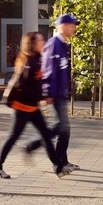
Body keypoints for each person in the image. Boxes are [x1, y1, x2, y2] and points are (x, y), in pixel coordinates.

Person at [0, 31, 67, 180]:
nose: (43, 43)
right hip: (22, 107)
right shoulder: (28, 62)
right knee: (13, 137)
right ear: (32, 44)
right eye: (40, 41)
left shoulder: (38, 58)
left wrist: (44, 95)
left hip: (34, 107)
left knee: (46, 135)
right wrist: (41, 96)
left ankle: (58, 167)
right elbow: (23, 84)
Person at [27, 13, 79, 171]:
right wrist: (48, 93)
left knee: (64, 127)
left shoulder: (63, 44)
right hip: (54, 93)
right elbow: (48, 71)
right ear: (62, 26)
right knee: (63, 127)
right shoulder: (53, 45)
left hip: (61, 92)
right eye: (71, 25)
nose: (74, 28)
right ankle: (37, 147)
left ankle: (61, 160)